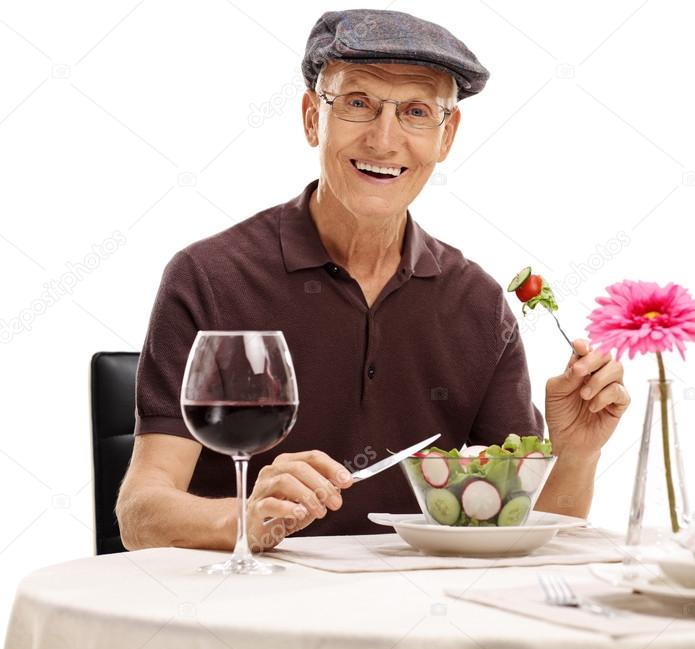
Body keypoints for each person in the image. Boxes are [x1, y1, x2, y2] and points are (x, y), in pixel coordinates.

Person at [116, 9, 630, 552]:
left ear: (446, 136)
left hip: (424, 618)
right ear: (313, 117)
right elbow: (141, 513)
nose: (385, 141)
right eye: (358, 103)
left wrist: (576, 454)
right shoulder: (210, 277)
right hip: (246, 614)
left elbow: (527, 533)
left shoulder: (479, 303)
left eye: (415, 112)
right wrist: (246, 519)